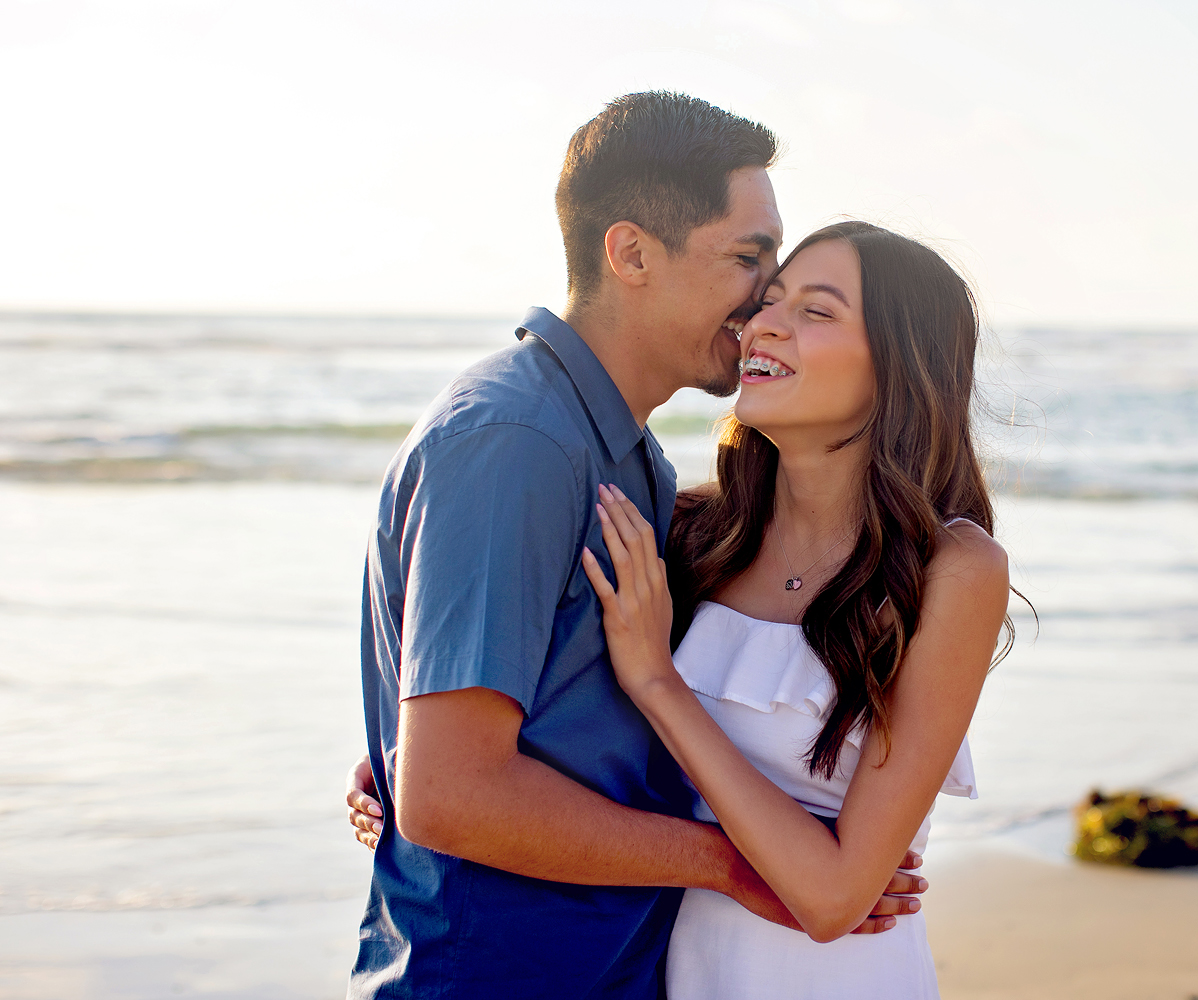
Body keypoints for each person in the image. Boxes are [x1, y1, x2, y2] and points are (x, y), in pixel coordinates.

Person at [348, 93, 924, 1000]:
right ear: (631, 254)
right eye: (748, 258)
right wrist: (731, 865)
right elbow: (452, 795)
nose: (765, 297)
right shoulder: (517, 439)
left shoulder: (631, 459)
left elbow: (541, 729)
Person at [581, 221, 1011, 997]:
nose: (763, 323)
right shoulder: (689, 532)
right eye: (769, 300)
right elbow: (561, 715)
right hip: (679, 971)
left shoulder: (953, 569)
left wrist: (658, 683)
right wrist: (430, 755)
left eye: (818, 311)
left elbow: (833, 897)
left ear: (899, 366)